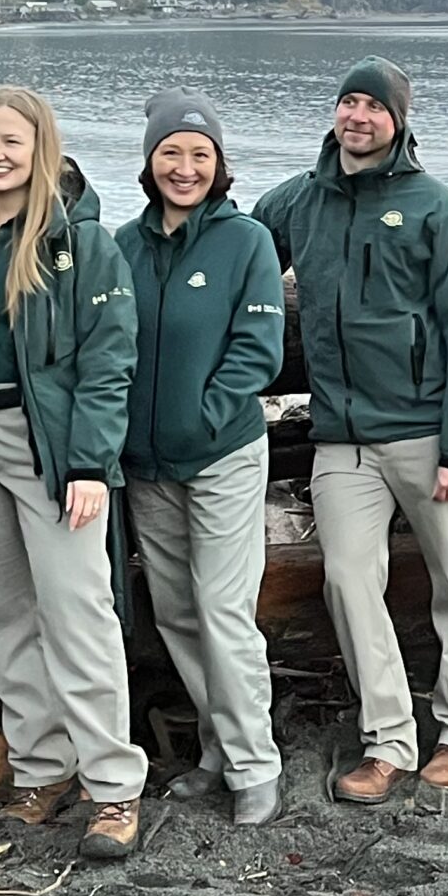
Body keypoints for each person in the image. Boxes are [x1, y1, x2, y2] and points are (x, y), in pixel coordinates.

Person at [254, 58, 448, 804]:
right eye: (348, 102)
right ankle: (388, 739)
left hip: (427, 436)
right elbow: (238, 246)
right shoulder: (300, 200)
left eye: (374, 106)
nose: (358, 116)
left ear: (399, 120)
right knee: (347, 580)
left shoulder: (436, 207)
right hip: (342, 441)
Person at [0, 88, 148, 861]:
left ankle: (114, 784)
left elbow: (108, 360)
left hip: (49, 443)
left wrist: (90, 461)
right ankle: (40, 766)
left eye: (12, 143)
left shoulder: (80, 245)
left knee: (78, 611)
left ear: (42, 151)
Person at [117, 89, 288, 825]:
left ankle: (257, 764)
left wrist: (204, 416)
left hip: (221, 456)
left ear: (218, 165)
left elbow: (259, 351)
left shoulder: (245, 240)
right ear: (150, 162)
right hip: (147, 466)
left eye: (198, 155)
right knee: (179, 613)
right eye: (170, 153)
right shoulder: (123, 245)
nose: (184, 168)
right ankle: (218, 746)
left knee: (223, 609)